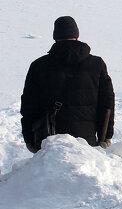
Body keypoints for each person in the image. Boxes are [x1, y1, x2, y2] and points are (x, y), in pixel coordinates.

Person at [20, 16, 114, 152]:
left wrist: (29, 139)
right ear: (77, 36)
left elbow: (29, 107)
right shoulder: (97, 64)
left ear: (55, 37)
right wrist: (105, 137)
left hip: (49, 142)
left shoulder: (38, 66)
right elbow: (107, 104)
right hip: (87, 142)